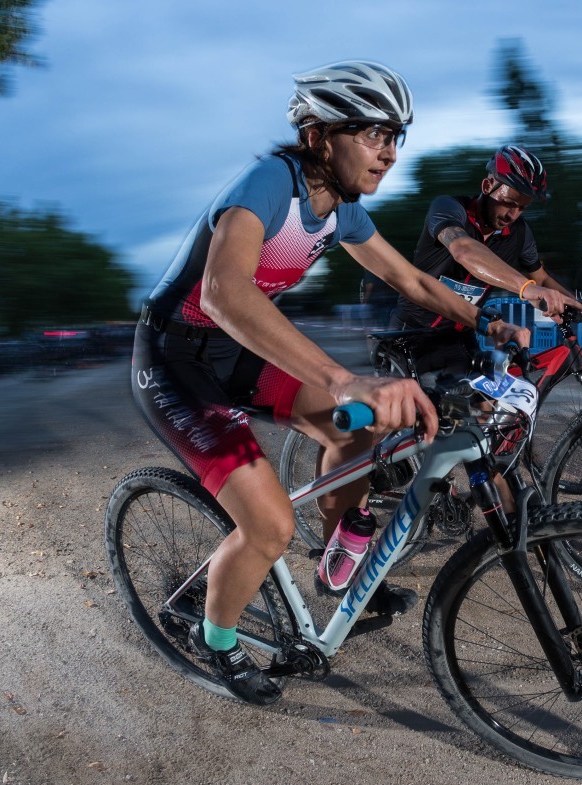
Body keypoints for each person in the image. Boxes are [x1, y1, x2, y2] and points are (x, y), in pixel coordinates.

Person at [132, 60, 528, 705]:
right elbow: (223, 290)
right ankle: (216, 637)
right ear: (319, 136)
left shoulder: (341, 210)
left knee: (362, 432)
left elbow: (414, 281)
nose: (390, 154)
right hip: (176, 357)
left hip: (236, 350)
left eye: (396, 137)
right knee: (268, 525)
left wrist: (486, 317)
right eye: (374, 135)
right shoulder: (269, 182)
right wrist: (344, 380)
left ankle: (340, 566)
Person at [389, 145, 582, 374]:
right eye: (509, 202)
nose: (512, 215)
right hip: (412, 329)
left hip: (460, 333)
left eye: (522, 208)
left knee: (482, 404)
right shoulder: (449, 208)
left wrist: (579, 306)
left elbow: (540, 278)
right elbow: (464, 250)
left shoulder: (520, 233)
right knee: (405, 407)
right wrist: (525, 288)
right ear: (487, 185)